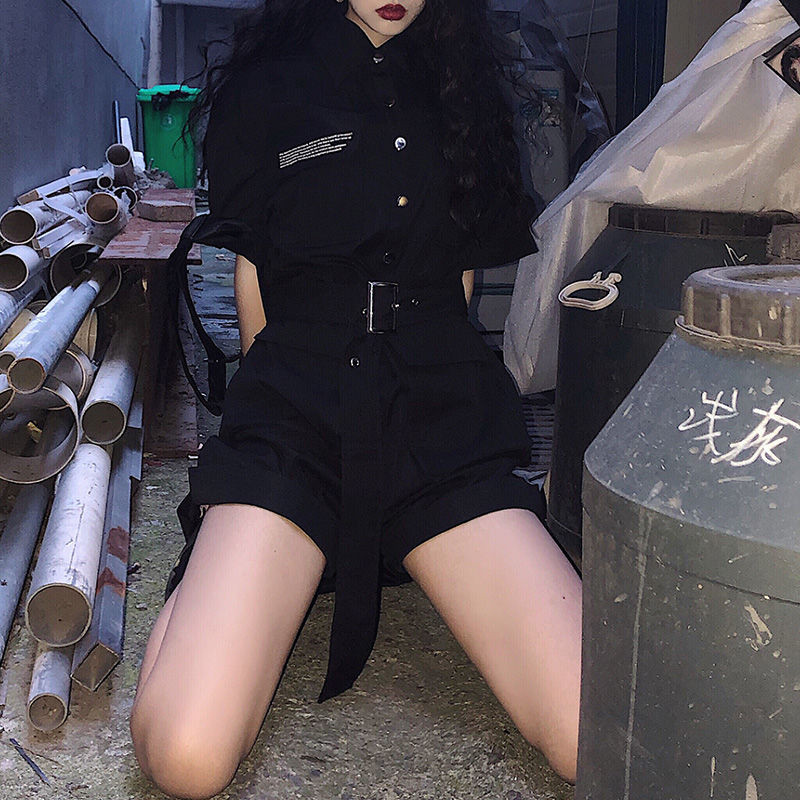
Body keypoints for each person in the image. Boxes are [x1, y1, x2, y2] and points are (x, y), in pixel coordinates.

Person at [129, 2, 582, 797]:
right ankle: (214, 563)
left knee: (594, 736)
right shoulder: (268, 86)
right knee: (187, 759)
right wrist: (254, 467)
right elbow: (252, 278)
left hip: (435, 416)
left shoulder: (466, 84)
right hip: (298, 408)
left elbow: (460, 282)